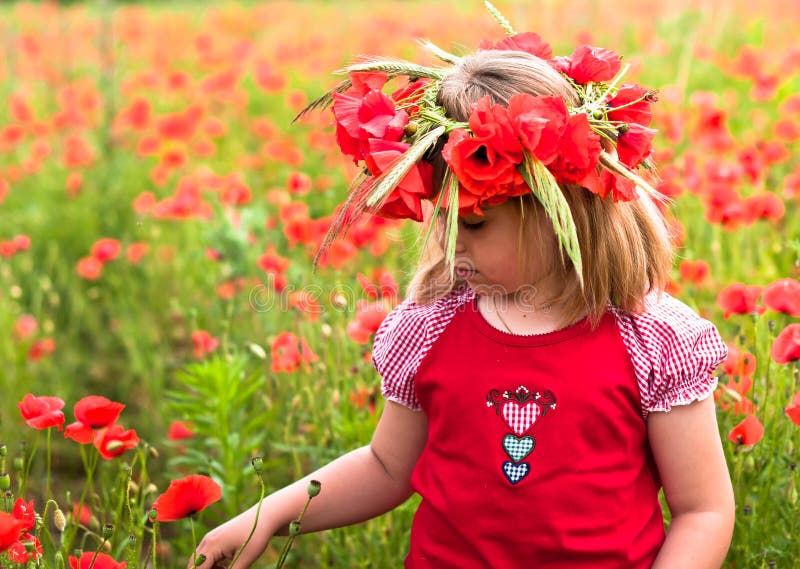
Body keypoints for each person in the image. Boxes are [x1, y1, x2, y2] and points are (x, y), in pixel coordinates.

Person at [192, 9, 735, 569]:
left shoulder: (654, 341)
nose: (449, 244)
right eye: (441, 220)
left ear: (559, 210)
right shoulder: (430, 326)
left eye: (473, 224)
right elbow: (386, 466)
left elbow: (702, 511)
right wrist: (269, 514)